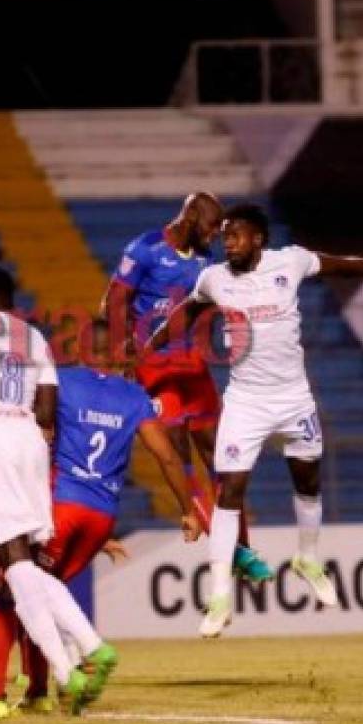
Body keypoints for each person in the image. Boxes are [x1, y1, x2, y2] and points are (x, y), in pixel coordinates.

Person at [148, 203, 363, 637]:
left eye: (236, 235)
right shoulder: (213, 279)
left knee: (307, 483)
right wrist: (152, 344)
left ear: (259, 240)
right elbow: (188, 312)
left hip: (294, 400)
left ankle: (308, 558)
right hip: (245, 403)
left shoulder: (290, 260)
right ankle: (219, 595)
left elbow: (339, 266)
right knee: (229, 490)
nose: (227, 241)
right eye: (225, 235)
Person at [0, 318, 204, 719]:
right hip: (102, 516)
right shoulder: (134, 396)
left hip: (62, 506)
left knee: (10, 594)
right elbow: (165, 456)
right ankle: (42, 690)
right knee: (41, 594)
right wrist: (188, 509)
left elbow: (23, 420)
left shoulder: (63, 381)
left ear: (85, 348)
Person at [0, 268, 114, 717]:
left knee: (15, 562)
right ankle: (77, 660)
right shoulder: (33, 338)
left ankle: (83, 656)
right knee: (25, 562)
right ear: (11, 302)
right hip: (29, 439)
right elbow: (47, 410)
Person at [101, 192, 271, 582]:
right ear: (192, 216)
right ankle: (236, 554)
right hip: (155, 370)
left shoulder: (206, 261)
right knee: (181, 459)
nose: (215, 236)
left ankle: (240, 543)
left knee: (224, 461)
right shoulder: (145, 249)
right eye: (212, 227)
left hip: (194, 369)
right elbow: (114, 301)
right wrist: (121, 352)